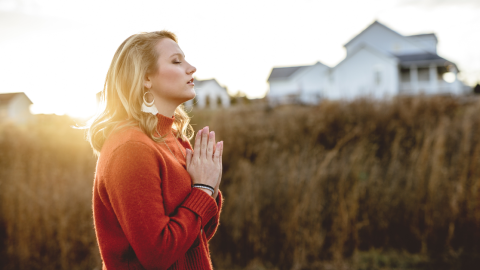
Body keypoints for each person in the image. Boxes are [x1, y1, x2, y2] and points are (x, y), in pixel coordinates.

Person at [86, 30, 224, 270]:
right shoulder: (130, 148)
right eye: (176, 61)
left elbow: (197, 237)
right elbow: (158, 254)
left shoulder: (175, 140)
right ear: (146, 77)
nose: (192, 68)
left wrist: (210, 187)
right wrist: (203, 190)